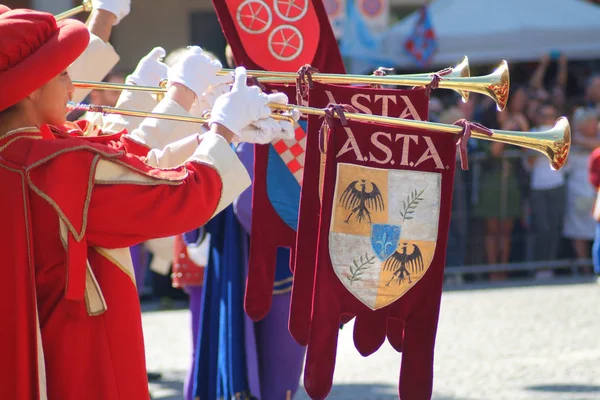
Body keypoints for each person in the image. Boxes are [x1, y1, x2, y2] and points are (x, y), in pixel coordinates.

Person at [0, 7, 294, 399]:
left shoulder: (26, 152)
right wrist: (221, 131)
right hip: (80, 361)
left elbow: (129, 163)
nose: (73, 88)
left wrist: (214, 132)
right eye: (62, 73)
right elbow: (175, 197)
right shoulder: (52, 165)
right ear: (31, 86)